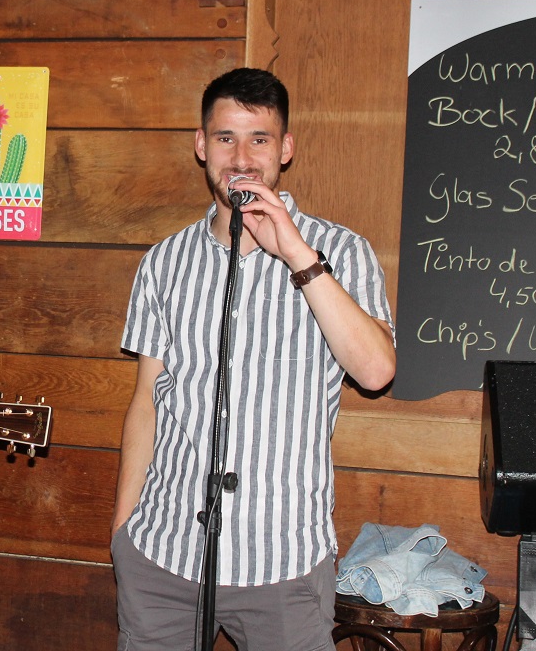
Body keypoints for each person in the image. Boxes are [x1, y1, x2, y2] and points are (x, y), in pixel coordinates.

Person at [111, 68, 396, 651]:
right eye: (225, 138)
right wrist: (124, 530)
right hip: (164, 557)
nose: (241, 156)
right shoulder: (163, 261)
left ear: (285, 149)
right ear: (201, 145)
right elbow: (147, 400)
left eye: (259, 139)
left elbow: (375, 371)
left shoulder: (341, 251)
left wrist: (294, 252)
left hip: (283, 564)